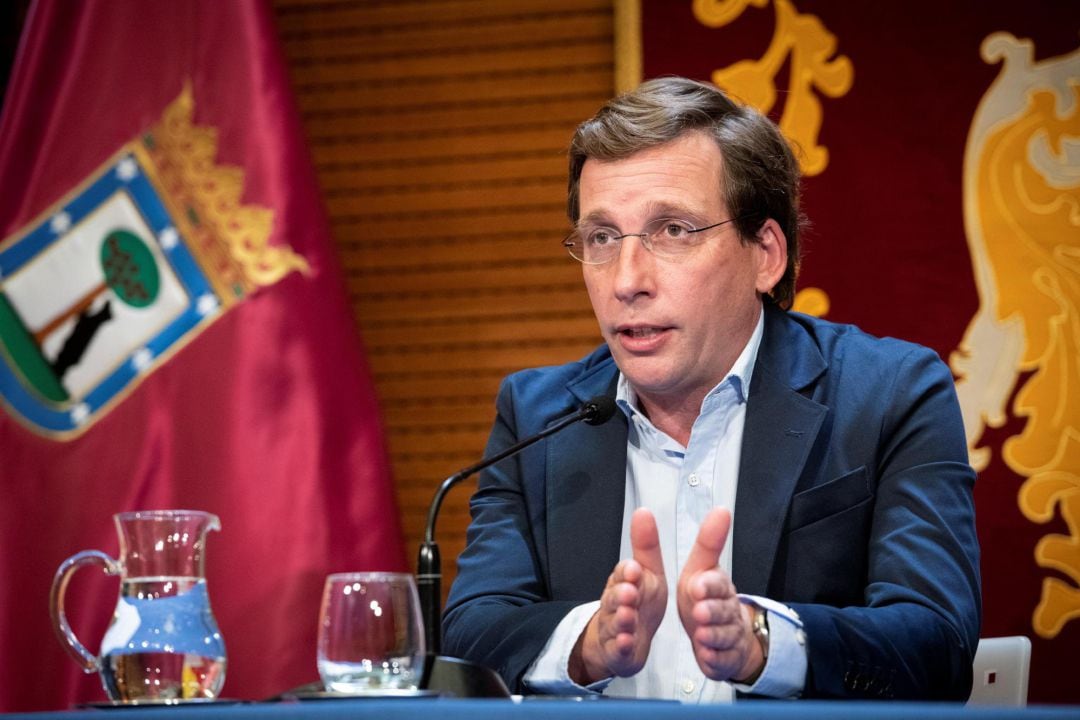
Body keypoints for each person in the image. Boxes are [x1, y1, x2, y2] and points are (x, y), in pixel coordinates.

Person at [442, 77, 980, 701]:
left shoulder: (888, 395)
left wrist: (765, 643)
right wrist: (586, 643)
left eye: (673, 231)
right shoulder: (537, 416)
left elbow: (937, 644)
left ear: (766, 255)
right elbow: (472, 635)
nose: (627, 281)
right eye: (602, 238)